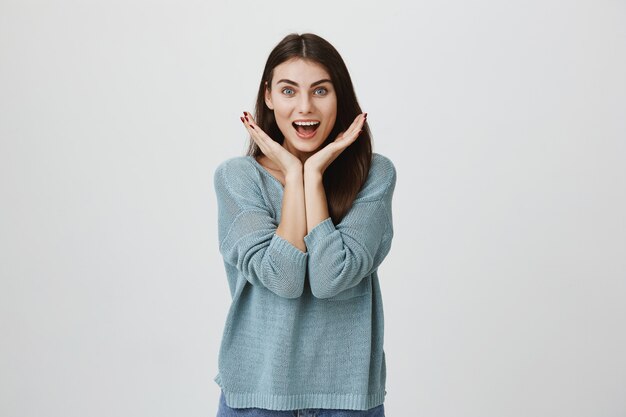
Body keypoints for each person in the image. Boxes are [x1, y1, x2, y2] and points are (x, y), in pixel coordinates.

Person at [213, 33, 396, 417]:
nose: (304, 107)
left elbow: (332, 277)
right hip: (257, 398)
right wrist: (294, 177)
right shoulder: (237, 178)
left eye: (320, 91)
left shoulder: (374, 175)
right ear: (268, 97)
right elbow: (284, 279)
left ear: (339, 97)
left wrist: (311, 175)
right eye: (288, 91)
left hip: (347, 402)